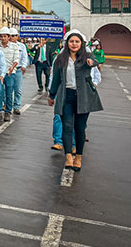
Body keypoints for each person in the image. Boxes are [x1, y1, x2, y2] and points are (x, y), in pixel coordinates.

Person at [48, 30, 103, 171]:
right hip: (66, 96)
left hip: (83, 97)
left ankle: (78, 156)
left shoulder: (87, 56)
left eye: (77, 42)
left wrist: (91, 62)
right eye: (71, 41)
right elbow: (56, 80)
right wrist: (52, 95)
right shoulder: (60, 59)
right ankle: (68, 156)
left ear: (82, 44)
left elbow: (97, 60)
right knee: (66, 126)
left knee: (80, 128)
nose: (74, 44)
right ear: (67, 43)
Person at [0, 27, 20, 122]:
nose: (3, 38)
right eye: (1, 36)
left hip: (10, 73)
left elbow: (17, 59)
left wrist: (12, 67)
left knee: (9, 93)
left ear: (9, 37)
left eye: (5, 36)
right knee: (0, 92)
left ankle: (8, 112)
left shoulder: (14, 47)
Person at [9, 28, 28, 115]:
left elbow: (24, 57)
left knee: (18, 90)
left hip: (18, 70)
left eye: (14, 36)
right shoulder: (6, 46)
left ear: (17, 36)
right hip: (8, 70)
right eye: (10, 36)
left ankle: (16, 106)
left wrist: (24, 66)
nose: (12, 38)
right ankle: (7, 106)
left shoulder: (22, 46)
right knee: (7, 89)